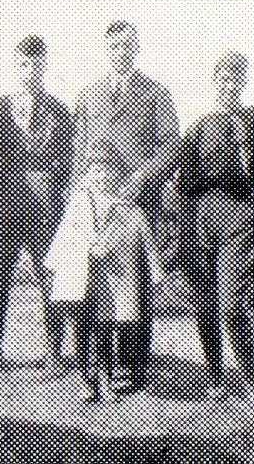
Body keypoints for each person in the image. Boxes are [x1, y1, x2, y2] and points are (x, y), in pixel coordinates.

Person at [72, 20, 179, 391]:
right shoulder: (88, 94)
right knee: (96, 285)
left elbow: (171, 147)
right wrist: (81, 193)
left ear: (137, 49)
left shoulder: (156, 93)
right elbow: (79, 150)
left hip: (137, 203)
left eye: (127, 46)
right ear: (105, 50)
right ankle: (98, 364)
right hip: (96, 201)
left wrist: (137, 182)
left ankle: (135, 365)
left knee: (134, 286)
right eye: (114, 46)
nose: (121, 52)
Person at [176, 52, 254, 406]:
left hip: (239, 218)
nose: (228, 86)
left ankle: (251, 380)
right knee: (204, 303)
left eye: (235, 80)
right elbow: (180, 177)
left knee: (232, 302)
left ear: (244, 83)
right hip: (199, 219)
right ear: (214, 83)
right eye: (222, 80)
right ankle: (215, 376)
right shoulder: (199, 125)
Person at [0, 35, 74, 374]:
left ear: (45, 66)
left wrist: (58, 194)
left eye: (36, 64)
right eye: (22, 64)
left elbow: (67, 162)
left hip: (47, 204)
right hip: (6, 202)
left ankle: (54, 353)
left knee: (49, 277)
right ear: (14, 67)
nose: (29, 70)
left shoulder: (60, 110)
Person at [45, 140, 165, 403]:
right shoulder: (77, 205)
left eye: (108, 171)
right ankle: (86, 380)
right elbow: (63, 239)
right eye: (96, 171)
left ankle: (107, 378)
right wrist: (55, 266)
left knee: (106, 328)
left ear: (117, 175)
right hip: (79, 275)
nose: (102, 177)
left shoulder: (127, 208)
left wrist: (156, 271)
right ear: (88, 174)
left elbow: (145, 238)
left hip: (111, 280)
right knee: (81, 328)